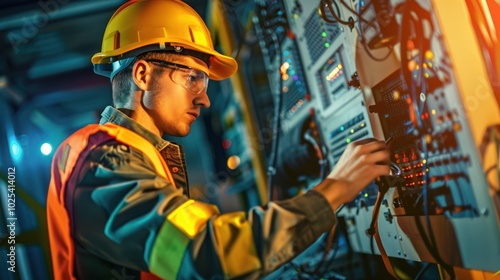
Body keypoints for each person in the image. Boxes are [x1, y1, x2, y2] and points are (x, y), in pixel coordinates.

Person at [46, 0, 391, 279]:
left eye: (205, 83)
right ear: (142, 74)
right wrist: (333, 190)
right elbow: (203, 253)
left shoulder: (130, 155)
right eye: (192, 77)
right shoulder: (104, 162)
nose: (204, 99)